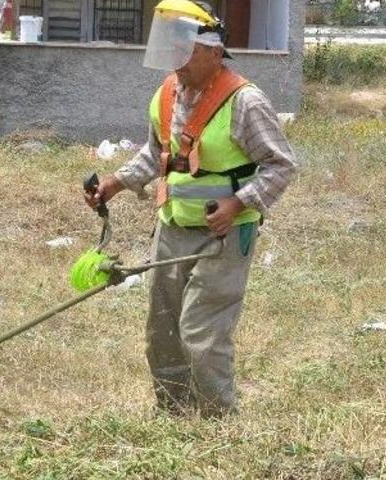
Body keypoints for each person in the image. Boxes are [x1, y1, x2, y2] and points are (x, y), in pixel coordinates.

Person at [84, 0, 297, 418]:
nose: (176, 60)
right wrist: (116, 183)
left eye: (186, 51)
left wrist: (239, 203)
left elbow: (281, 165)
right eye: (172, 48)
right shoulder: (167, 93)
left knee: (201, 331)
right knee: (162, 330)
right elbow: (157, 154)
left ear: (214, 52)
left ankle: (218, 419)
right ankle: (173, 412)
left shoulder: (245, 102)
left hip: (223, 236)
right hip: (172, 227)